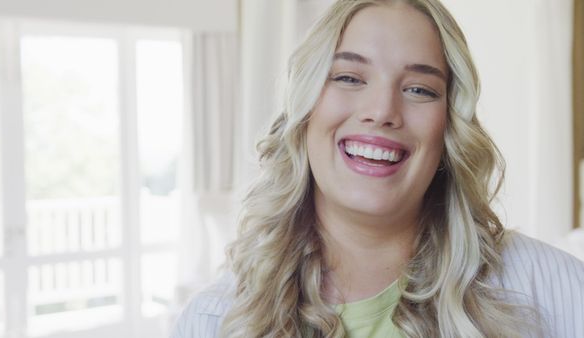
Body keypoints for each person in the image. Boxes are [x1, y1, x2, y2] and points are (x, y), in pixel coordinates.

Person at [172, 0, 584, 337]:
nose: (383, 111)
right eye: (350, 78)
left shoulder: (554, 292)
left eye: (419, 89)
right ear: (306, 109)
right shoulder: (213, 322)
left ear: (449, 128)